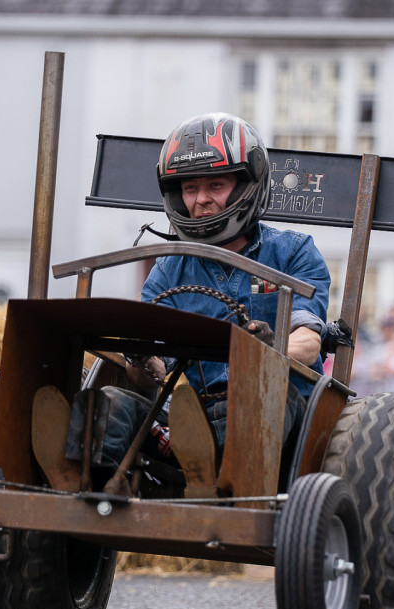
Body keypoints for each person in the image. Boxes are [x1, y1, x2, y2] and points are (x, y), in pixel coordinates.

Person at [33, 112, 330, 494]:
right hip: (191, 414)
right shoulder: (168, 269)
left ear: (246, 187)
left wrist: (265, 351)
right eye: (190, 188)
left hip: (275, 411)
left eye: (216, 185)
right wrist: (141, 360)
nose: (201, 200)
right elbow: (147, 380)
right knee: (109, 403)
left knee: (252, 403)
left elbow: (308, 344)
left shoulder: (293, 253)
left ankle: (208, 474)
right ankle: (80, 480)